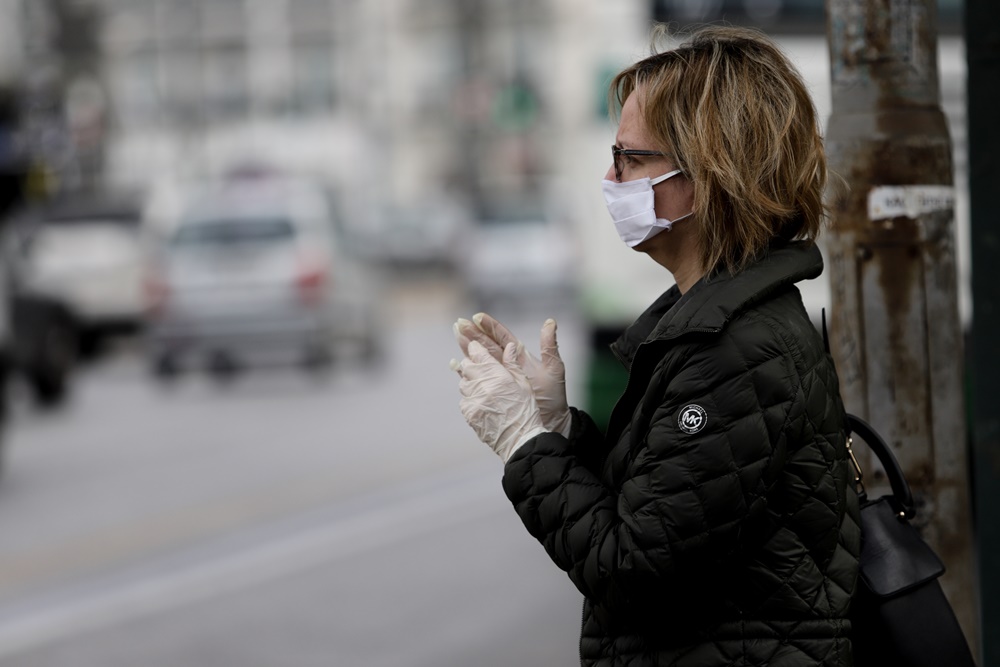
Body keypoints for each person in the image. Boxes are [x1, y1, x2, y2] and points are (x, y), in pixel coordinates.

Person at [450, 25, 860, 667]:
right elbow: (666, 498)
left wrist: (525, 445)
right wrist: (559, 428)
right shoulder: (716, 326)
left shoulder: (738, 352)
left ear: (710, 174)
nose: (609, 176)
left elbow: (631, 570)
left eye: (630, 158)